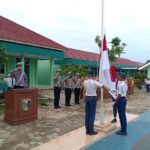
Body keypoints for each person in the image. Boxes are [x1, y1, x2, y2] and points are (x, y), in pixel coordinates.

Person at [84, 70, 110, 135]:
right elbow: (102, 86)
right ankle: (91, 130)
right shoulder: (94, 82)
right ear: (93, 75)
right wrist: (109, 89)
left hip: (87, 97)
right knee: (92, 115)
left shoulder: (85, 81)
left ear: (88, 75)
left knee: (87, 114)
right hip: (92, 98)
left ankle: (87, 130)